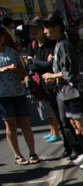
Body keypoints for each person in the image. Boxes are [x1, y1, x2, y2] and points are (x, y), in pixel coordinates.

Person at [42, 14, 83, 170]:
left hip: (74, 90)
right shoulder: (59, 44)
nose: (45, 32)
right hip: (65, 91)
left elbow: (71, 72)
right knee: (75, 125)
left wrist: (52, 76)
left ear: (56, 28)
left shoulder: (64, 45)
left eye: (47, 28)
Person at [0, 25, 39, 166]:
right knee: (10, 125)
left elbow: (24, 71)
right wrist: (3, 69)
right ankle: (17, 155)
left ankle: (32, 152)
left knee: (25, 123)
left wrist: (16, 69)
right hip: (2, 95)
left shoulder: (12, 52)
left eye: (1, 36)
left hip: (18, 92)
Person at [23, 17, 62, 146]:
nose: (32, 30)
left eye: (36, 27)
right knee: (44, 108)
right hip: (38, 83)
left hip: (50, 81)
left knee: (52, 108)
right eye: (30, 27)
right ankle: (52, 131)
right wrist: (38, 63)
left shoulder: (51, 44)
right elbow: (30, 65)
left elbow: (50, 65)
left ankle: (56, 132)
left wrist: (35, 61)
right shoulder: (32, 44)